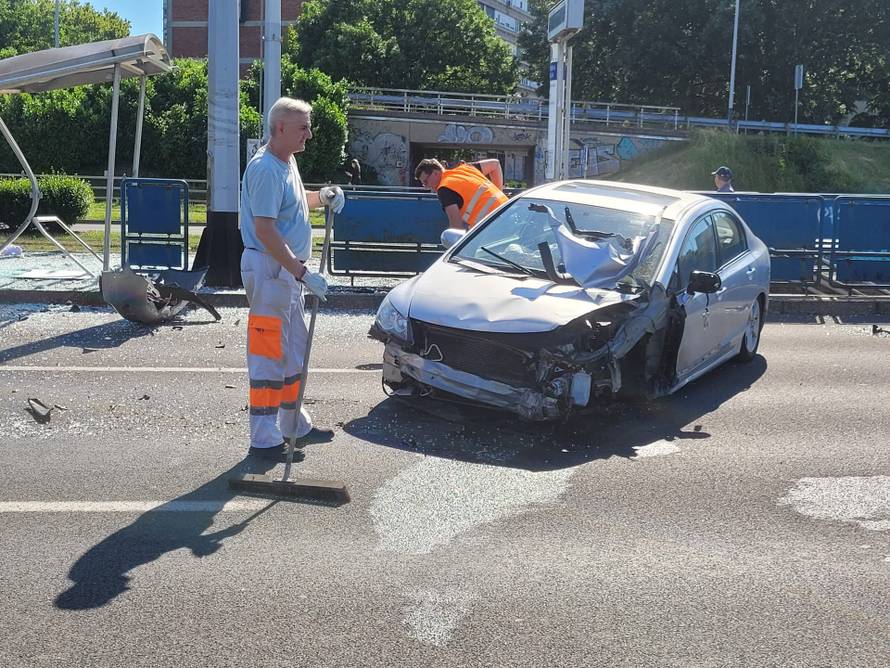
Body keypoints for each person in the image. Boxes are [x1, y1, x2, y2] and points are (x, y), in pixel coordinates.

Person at [239, 96, 345, 461]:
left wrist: (323, 196)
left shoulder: (286, 163)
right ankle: (263, 436)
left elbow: (295, 204)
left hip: (285, 273)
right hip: (272, 269)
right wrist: (300, 271)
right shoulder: (266, 169)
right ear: (280, 128)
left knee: (294, 350)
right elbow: (266, 230)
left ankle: (292, 422)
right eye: (303, 127)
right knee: (269, 354)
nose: (309, 135)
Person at [414, 157, 508, 229]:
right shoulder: (465, 169)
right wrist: (499, 192)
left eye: (426, 181)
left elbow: (456, 227)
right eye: (423, 184)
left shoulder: (444, 189)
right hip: (508, 210)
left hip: (492, 225)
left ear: (435, 173)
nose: (426, 186)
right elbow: (495, 164)